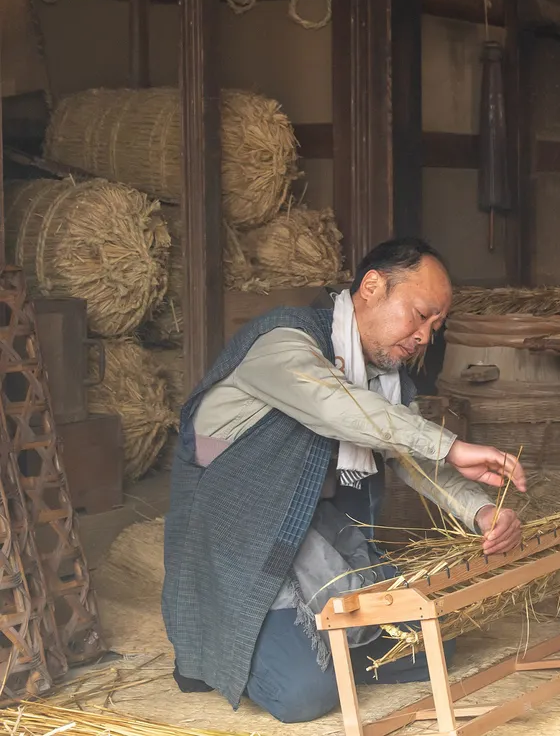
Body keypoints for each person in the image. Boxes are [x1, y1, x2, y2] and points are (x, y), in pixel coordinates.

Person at [162, 237, 527, 722]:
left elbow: (405, 451)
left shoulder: (382, 380)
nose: (424, 337)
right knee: (305, 696)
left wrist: (480, 510)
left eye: (435, 327)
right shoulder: (284, 342)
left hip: (314, 538)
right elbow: (337, 406)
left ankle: (311, 642)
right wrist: (451, 444)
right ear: (372, 287)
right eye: (419, 315)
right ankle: (222, 644)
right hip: (239, 542)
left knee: (431, 645)